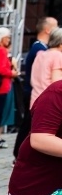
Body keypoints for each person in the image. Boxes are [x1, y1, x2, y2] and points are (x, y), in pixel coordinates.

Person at [15, 16, 59, 157]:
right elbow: (56, 83)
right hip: (46, 99)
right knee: (36, 132)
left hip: (36, 96)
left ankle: (19, 155)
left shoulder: (41, 53)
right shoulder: (54, 55)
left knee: (29, 129)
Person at [29, 28, 62, 110]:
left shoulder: (40, 54)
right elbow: (57, 84)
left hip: (35, 100)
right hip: (49, 104)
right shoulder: (58, 56)